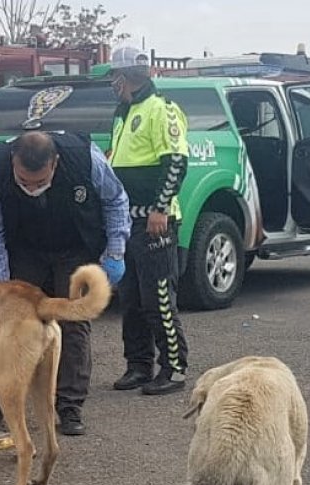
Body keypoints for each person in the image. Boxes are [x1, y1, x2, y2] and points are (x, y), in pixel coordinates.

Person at [0, 131, 130, 436]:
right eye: (24, 181)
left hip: (74, 245)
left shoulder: (85, 159)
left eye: (40, 182)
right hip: (25, 248)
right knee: (11, 326)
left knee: (73, 323)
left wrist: (115, 251)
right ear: (13, 162)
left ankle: (69, 406)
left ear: (55, 163)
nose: (32, 188)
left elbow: (115, 200)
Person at [104, 46, 192, 397]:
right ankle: (138, 364)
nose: (112, 83)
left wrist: (160, 208)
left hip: (154, 221)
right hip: (127, 222)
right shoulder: (123, 113)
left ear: (126, 77)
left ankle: (174, 367)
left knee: (157, 297)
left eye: (115, 76)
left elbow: (175, 163)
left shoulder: (162, 110)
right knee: (130, 297)